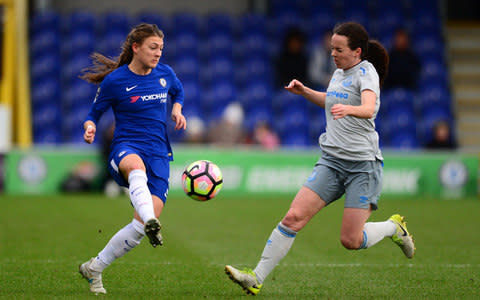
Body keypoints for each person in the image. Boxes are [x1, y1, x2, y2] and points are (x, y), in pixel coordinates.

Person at [225, 22, 415, 296]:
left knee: (350, 240)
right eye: (331, 49)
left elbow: (369, 107)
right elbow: (331, 99)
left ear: (357, 51)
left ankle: (392, 227)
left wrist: (348, 109)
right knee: (292, 218)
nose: (333, 54)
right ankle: (255, 277)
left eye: (339, 49)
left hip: (362, 167)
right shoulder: (339, 72)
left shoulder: (367, 72)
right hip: (332, 162)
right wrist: (305, 92)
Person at [78, 23, 187, 294]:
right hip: (126, 147)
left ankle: (95, 267)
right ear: (136, 48)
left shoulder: (165, 73)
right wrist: (90, 127)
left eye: (161, 48)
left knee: (138, 228)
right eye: (153, 47)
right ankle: (152, 221)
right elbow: (94, 113)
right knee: (135, 168)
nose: (158, 53)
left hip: (160, 154)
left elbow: (179, 90)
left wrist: (177, 108)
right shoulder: (115, 81)